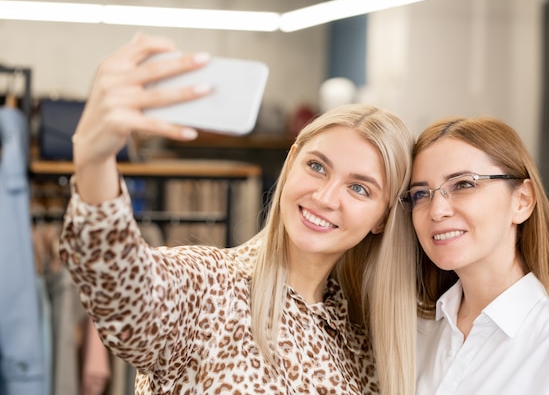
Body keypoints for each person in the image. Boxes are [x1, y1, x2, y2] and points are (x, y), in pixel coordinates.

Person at [58, 34, 417, 394]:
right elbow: (121, 290)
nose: (325, 196)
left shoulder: (366, 344)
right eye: (317, 166)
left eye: (359, 188)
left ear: (383, 218)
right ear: (290, 163)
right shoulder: (209, 290)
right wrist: (94, 159)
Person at [402, 116, 549, 394]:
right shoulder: (417, 331)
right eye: (421, 194)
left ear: (522, 200)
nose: (437, 211)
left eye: (463, 184)